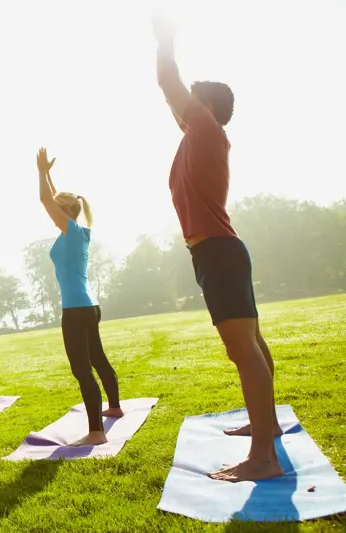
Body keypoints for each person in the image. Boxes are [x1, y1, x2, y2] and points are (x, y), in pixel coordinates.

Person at [152, 15, 283, 482]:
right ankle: (266, 429)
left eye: (193, 94)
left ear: (205, 104)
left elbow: (169, 83)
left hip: (220, 253)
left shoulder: (205, 128)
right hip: (221, 252)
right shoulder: (199, 135)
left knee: (242, 350)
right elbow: (173, 97)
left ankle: (263, 456)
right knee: (252, 345)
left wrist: (164, 38)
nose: (181, 102)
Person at [36, 147, 122, 447]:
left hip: (76, 308)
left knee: (81, 369)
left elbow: (48, 200)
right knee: (96, 357)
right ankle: (114, 406)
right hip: (88, 305)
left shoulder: (71, 231)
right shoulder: (76, 230)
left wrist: (40, 172)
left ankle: (96, 431)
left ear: (65, 212)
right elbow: (58, 200)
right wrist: (48, 174)